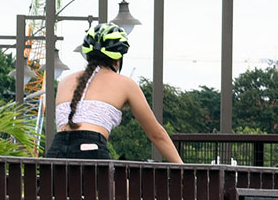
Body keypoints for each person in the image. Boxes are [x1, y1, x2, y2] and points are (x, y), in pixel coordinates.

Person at [46, 23, 183, 163]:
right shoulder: (125, 84)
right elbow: (156, 134)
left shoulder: (65, 81)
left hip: (55, 154)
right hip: (91, 153)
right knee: (128, 184)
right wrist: (182, 169)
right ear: (118, 59)